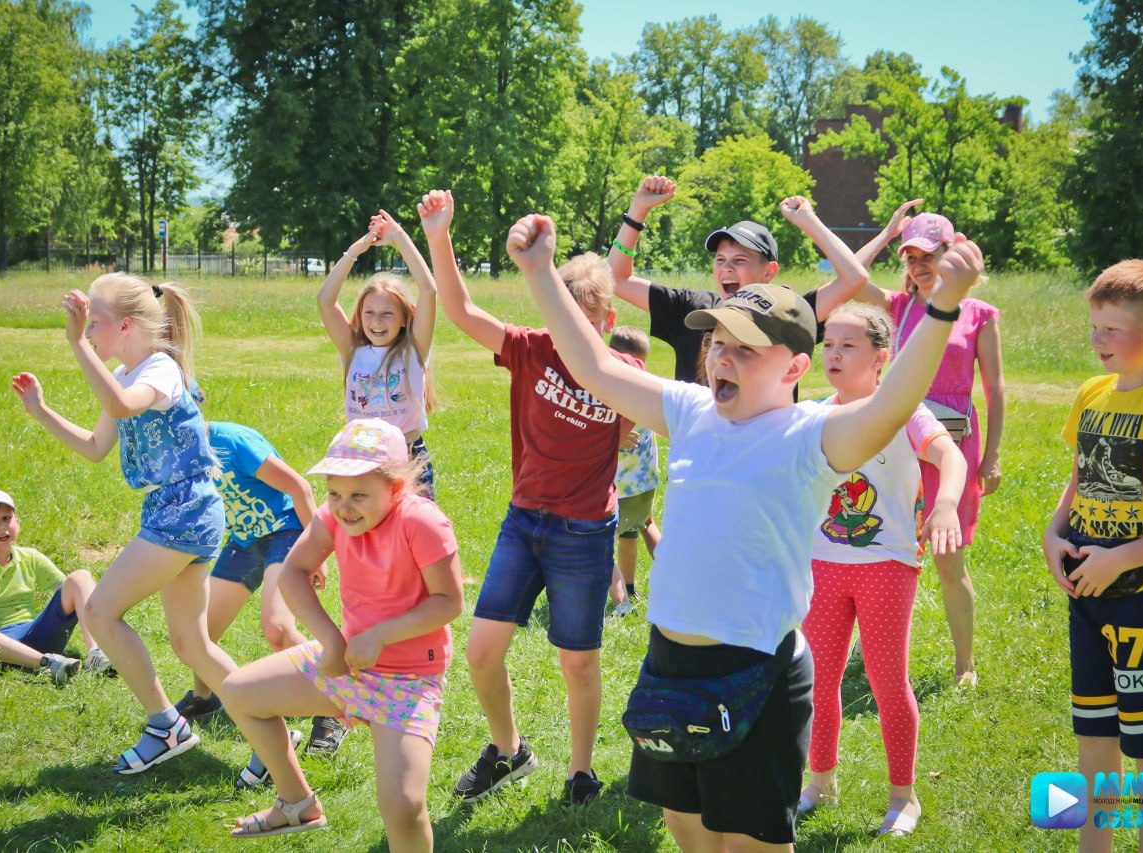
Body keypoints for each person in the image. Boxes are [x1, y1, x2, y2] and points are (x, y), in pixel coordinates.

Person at [506, 206, 983, 851]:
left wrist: (944, 307)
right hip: (669, 665)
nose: (722, 358)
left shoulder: (811, 437)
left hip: (754, 673)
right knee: (687, 828)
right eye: (718, 345)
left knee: (750, 841)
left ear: (793, 367)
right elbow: (595, 367)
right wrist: (540, 273)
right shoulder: (692, 409)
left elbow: (897, 398)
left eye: (746, 348)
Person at [420, 189, 640, 806]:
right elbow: (461, 311)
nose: (574, 322)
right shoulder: (531, 347)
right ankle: (509, 750)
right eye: (564, 307)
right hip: (525, 523)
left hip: (583, 534)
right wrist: (440, 234)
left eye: (588, 312)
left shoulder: (622, 373)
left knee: (578, 662)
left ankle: (580, 772)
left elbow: (648, 430)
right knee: (482, 650)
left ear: (607, 321)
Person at [11, 273, 238, 774]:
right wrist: (42, 411)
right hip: (179, 513)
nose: (88, 332)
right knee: (190, 643)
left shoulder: (160, 370)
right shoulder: (127, 370)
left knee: (99, 611)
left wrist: (75, 345)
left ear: (127, 325)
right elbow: (96, 448)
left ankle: (166, 725)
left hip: (183, 514)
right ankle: (268, 722)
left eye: (95, 323)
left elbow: (119, 404)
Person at [223, 419, 462, 845]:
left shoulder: (423, 523)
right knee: (239, 692)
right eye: (334, 493)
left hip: (409, 681)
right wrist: (331, 640)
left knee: (404, 806)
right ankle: (295, 804)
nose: (343, 506)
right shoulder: (332, 517)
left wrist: (381, 635)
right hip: (349, 664)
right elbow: (294, 571)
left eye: (358, 495)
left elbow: (449, 602)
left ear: (395, 489)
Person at [1042, 260, 1143, 853]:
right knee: (1095, 740)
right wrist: (1054, 534)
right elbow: (1081, 479)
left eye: (1111, 329)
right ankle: (1094, 846)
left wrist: (1120, 558)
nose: (1097, 340)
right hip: (1089, 599)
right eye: (1094, 326)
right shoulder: (1091, 395)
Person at [799, 305, 968, 837]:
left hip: (887, 564)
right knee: (817, 681)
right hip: (822, 564)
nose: (833, 354)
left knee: (887, 681)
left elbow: (953, 459)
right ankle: (819, 782)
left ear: (882, 358)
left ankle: (904, 797)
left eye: (847, 346)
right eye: (828, 344)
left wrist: (945, 505)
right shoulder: (814, 413)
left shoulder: (904, 411)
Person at [853, 204, 1005, 687]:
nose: (919, 266)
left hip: (952, 445)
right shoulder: (898, 308)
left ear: (953, 252)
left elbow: (996, 389)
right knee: (878, 546)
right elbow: (850, 276)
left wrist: (993, 455)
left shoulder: (980, 314)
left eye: (930, 254)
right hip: (897, 442)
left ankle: (966, 665)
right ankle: (864, 647)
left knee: (948, 557)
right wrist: (885, 232)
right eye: (911, 256)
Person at [170, 420, 345, 766]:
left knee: (277, 628)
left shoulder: (234, 442)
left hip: (286, 532)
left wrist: (317, 550)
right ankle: (204, 697)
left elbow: (300, 488)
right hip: (244, 540)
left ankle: (337, 702)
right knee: (199, 633)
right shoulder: (176, 451)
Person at [606, 175, 870, 384]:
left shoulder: (787, 313)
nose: (726, 268)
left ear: (769, 272)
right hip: (702, 451)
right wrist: (638, 210)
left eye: (739, 260)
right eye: (720, 260)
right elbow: (616, 277)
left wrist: (809, 222)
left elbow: (853, 278)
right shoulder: (694, 310)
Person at [317, 209, 438, 498]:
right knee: (368, 538)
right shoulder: (352, 351)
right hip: (360, 455)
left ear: (404, 318)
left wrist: (399, 238)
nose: (376, 321)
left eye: (387, 313)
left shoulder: (414, 351)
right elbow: (325, 300)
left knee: (415, 538)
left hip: (407, 459)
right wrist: (356, 250)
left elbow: (429, 291)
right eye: (369, 312)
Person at [0, 488, 108, 684]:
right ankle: (48, 664)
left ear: (17, 523)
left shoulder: (30, 557)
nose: (1, 527)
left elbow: (72, 591)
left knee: (80, 578)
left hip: (35, 637)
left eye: (6, 518)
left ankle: (97, 653)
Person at [606, 326, 661, 616]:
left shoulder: (612, 391)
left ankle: (622, 603)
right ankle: (631, 587)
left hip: (618, 486)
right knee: (640, 527)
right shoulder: (647, 387)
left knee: (600, 542)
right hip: (646, 480)